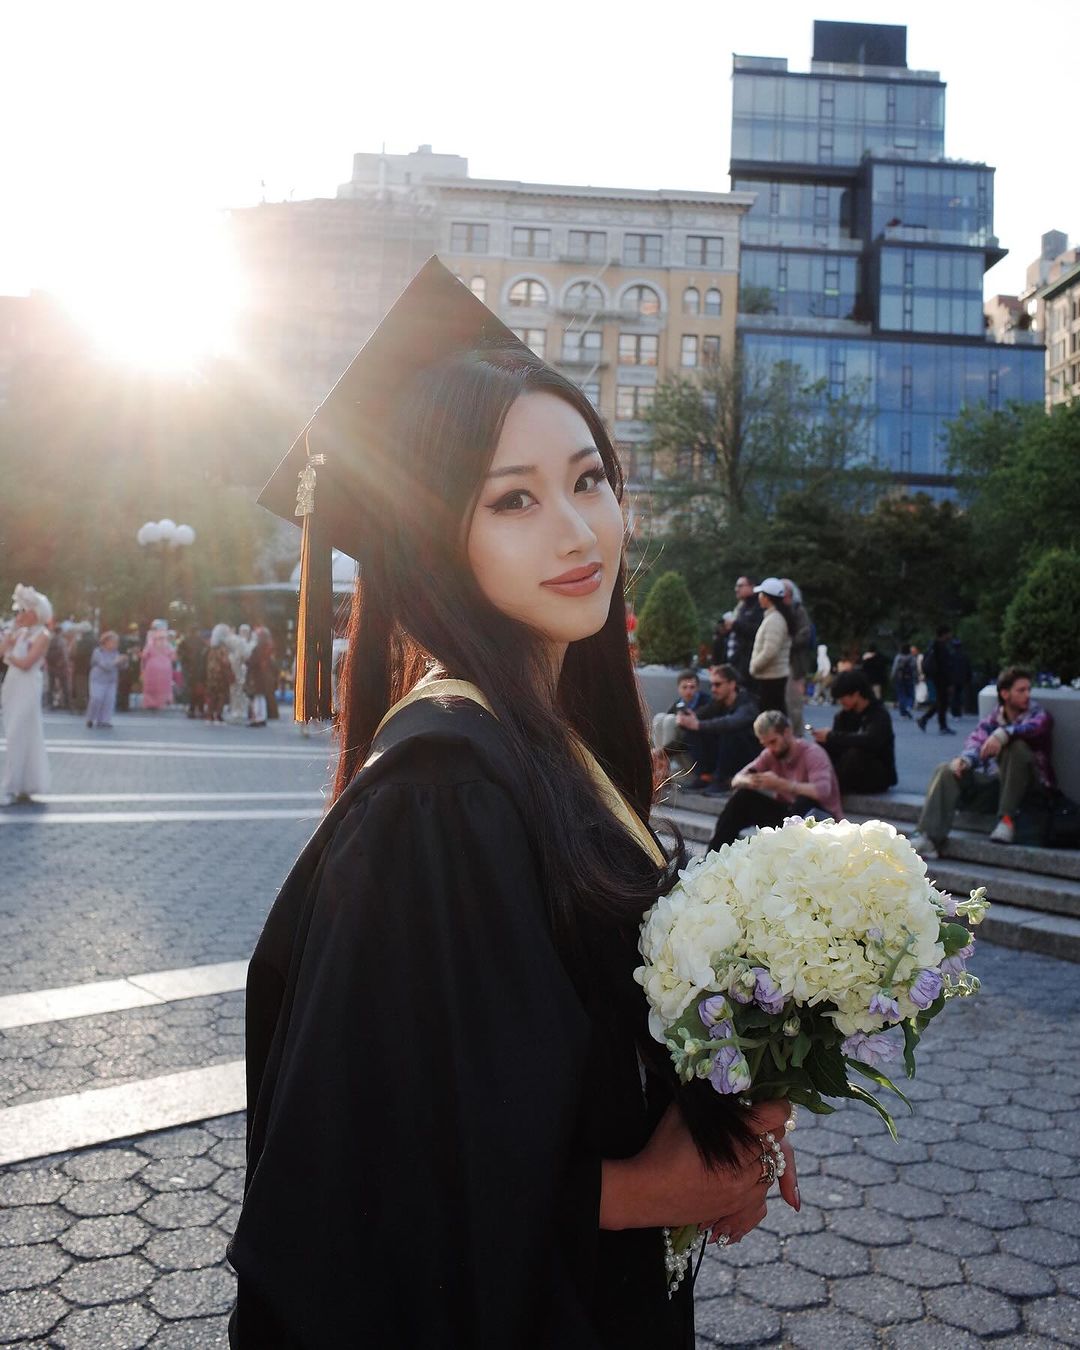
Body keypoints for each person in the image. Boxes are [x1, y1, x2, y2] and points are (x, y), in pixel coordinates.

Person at [227, 260, 797, 1349]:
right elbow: (370, 1178)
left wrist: (723, 1122)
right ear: (436, 534)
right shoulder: (443, 798)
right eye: (515, 500)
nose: (580, 533)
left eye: (590, 480)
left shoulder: (553, 753)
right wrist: (657, 1190)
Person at [910, 667, 1054, 855]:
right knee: (946, 769)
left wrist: (1003, 734)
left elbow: (1036, 728)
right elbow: (976, 742)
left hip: (1029, 790)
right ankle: (928, 837)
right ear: (1005, 693)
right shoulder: (992, 719)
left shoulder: (1038, 715)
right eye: (1021, 690)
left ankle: (1007, 821)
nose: (1027, 695)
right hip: (996, 787)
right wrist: (965, 760)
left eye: (1029, 689)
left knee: (1016, 747)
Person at [707, 710, 843, 850]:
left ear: (787, 732)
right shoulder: (770, 754)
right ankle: (713, 857)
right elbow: (737, 779)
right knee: (742, 797)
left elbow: (822, 791)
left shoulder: (813, 753)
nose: (771, 748)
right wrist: (752, 781)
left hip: (820, 820)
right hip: (789, 818)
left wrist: (781, 784)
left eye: (773, 741)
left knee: (804, 801)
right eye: (765, 744)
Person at [1, 585, 52, 803]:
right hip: (12, 685)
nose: (20, 614)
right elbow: (1, 651)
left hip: (27, 685)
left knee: (18, 733)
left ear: (35, 613)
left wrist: (10, 656)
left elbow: (27, 663)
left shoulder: (43, 635)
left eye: (24, 610)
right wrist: (11, 632)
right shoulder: (20, 632)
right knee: (16, 733)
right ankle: (22, 784)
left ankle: (11, 786)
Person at [676, 664, 759, 794]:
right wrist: (685, 719)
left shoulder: (747, 702)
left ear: (732, 684)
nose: (713, 689)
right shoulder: (717, 702)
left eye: (718, 684)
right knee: (693, 730)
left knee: (728, 731)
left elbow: (732, 722)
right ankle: (705, 776)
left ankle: (722, 780)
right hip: (723, 754)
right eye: (712, 685)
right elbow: (696, 718)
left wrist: (697, 724)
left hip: (748, 758)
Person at [812, 670, 897, 795]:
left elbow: (870, 740)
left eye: (843, 698)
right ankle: (820, 783)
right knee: (819, 747)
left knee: (855, 753)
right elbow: (838, 745)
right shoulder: (842, 716)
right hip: (848, 768)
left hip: (876, 771)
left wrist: (832, 736)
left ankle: (828, 787)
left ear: (856, 694)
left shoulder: (879, 714)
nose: (841, 702)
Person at [650, 669, 711, 776]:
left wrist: (662, 750)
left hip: (691, 742)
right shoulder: (679, 703)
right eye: (684, 687)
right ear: (679, 689)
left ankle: (663, 759)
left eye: (692, 687)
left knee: (670, 720)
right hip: (674, 744)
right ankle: (662, 762)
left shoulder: (705, 702)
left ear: (697, 688)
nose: (688, 691)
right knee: (660, 717)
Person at [748, 577, 792, 716]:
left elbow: (770, 651)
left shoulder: (775, 620)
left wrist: (755, 666)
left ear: (767, 598)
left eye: (761, 594)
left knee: (771, 717)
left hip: (772, 677)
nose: (759, 597)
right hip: (771, 676)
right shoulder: (773, 617)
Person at [782, 579, 812, 735]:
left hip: (794, 665)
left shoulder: (798, 611)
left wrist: (786, 643)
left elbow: (805, 634)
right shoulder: (778, 611)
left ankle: (797, 739)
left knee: (794, 705)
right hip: (782, 664)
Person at [917, 625, 955, 735]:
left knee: (941, 701)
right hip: (941, 678)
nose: (950, 636)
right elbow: (944, 666)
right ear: (944, 634)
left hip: (936, 677)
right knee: (942, 702)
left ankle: (925, 719)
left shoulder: (933, 645)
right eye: (949, 633)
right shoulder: (941, 647)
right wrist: (949, 682)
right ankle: (941, 726)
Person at [86, 631, 127, 728]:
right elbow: (105, 665)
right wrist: (116, 661)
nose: (116, 645)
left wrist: (124, 662)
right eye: (114, 642)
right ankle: (91, 718)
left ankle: (104, 720)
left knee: (109, 700)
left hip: (111, 680)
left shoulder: (116, 653)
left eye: (117, 643)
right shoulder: (98, 652)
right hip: (98, 680)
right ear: (106, 642)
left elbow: (122, 668)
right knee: (96, 698)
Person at [728, 575, 762, 679]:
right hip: (737, 660)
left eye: (740, 586)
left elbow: (759, 631)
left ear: (752, 586)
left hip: (750, 661)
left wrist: (735, 625)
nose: (736, 589)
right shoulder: (742, 607)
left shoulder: (759, 606)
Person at [245, 627, 276, 726]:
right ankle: (262, 717)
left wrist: (247, 662)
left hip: (256, 676)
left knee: (256, 698)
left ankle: (257, 719)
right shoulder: (268, 647)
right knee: (261, 697)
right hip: (265, 676)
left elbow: (253, 661)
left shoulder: (258, 648)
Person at [140, 620, 175, 710]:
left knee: (151, 685)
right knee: (163, 686)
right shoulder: (167, 644)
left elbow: (145, 655)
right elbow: (173, 656)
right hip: (166, 666)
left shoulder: (151, 642)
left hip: (152, 665)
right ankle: (162, 702)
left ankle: (150, 703)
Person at [206, 624, 234, 723]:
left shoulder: (212, 647)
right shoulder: (223, 648)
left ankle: (209, 714)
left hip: (211, 674)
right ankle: (218, 714)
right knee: (221, 695)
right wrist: (230, 672)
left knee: (212, 694)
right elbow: (225, 662)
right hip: (221, 674)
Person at [45, 627, 71, 710]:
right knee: (64, 685)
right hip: (61, 666)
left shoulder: (50, 640)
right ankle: (66, 704)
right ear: (61, 632)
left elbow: (45, 653)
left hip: (51, 666)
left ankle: (50, 703)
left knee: (51, 685)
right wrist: (66, 665)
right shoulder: (62, 641)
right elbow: (65, 654)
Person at [891, 646, 917, 719]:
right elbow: (914, 669)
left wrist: (892, 676)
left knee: (901, 695)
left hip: (899, 678)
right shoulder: (912, 658)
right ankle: (908, 706)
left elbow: (894, 668)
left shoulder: (898, 657)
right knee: (910, 694)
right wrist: (915, 678)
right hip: (909, 678)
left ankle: (903, 713)